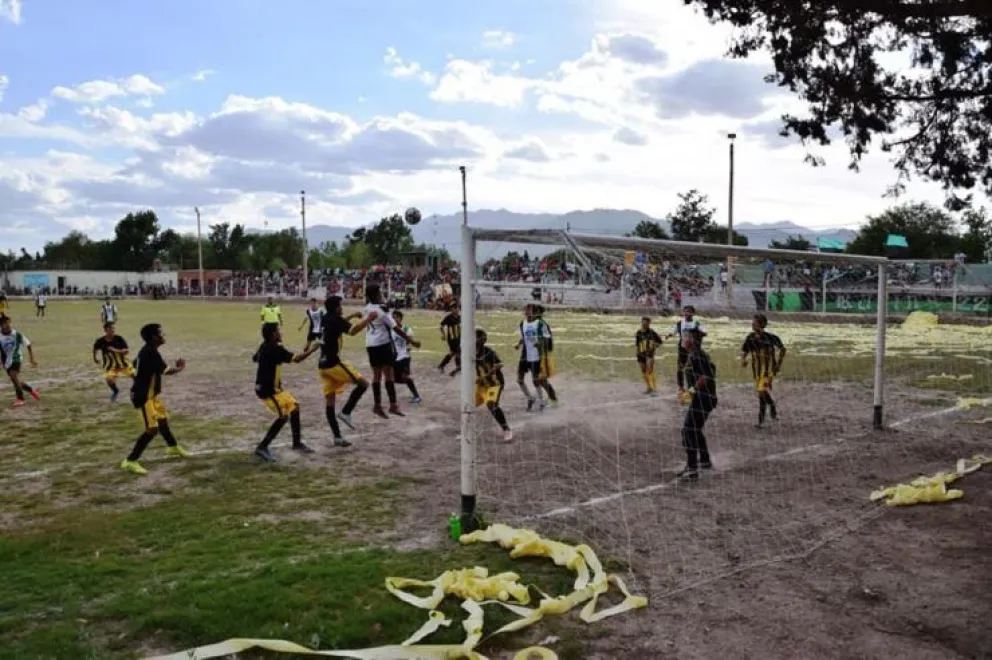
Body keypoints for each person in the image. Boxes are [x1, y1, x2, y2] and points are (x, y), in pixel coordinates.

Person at [121, 323, 190, 475]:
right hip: (144, 397)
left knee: (163, 421)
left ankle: (172, 447)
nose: (163, 335)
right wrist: (180, 368)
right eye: (161, 333)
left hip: (152, 395)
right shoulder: (150, 352)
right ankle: (130, 461)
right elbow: (167, 371)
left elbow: (134, 366)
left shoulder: (147, 351)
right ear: (154, 337)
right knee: (152, 429)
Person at [251, 322, 321, 462]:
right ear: (273, 335)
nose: (280, 333)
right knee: (283, 416)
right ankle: (262, 447)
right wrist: (313, 349)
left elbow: (255, 358)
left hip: (274, 389)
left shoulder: (265, 346)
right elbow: (297, 359)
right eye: (278, 331)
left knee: (294, 407)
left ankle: (297, 443)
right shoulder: (275, 348)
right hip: (268, 390)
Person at [319, 295, 377, 445]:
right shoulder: (335, 319)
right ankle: (346, 412)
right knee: (363, 384)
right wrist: (368, 319)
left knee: (330, 403)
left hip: (322, 366)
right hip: (333, 364)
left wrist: (351, 316)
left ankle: (337, 437)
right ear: (336, 308)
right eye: (340, 305)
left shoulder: (326, 318)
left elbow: (340, 323)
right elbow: (352, 331)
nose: (342, 307)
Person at [362, 284, 420, 418]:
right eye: (380, 292)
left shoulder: (367, 308)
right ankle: (393, 405)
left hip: (370, 344)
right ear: (375, 295)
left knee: (376, 375)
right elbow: (396, 328)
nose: (381, 294)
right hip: (383, 344)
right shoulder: (382, 311)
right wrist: (412, 341)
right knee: (389, 375)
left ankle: (377, 405)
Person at [678, 328, 717, 481]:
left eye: (685, 337)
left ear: (692, 341)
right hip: (702, 399)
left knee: (688, 430)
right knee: (695, 429)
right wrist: (684, 390)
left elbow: (705, 377)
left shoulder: (698, 355)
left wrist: (691, 391)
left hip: (704, 399)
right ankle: (705, 460)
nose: (683, 339)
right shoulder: (693, 355)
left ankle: (692, 469)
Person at [740, 313, 787, 428]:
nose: (752, 324)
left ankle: (760, 420)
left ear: (761, 324)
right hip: (756, 370)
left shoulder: (770, 338)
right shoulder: (750, 337)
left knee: (761, 392)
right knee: (761, 393)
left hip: (768, 370)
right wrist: (743, 360)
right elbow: (745, 351)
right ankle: (771, 404)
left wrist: (778, 364)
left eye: (754, 323)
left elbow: (783, 349)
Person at [475, 328, 513, 442]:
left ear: (482, 340)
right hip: (482, 384)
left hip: (495, 384)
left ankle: (506, 429)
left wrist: (487, 374)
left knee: (491, 404)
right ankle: (467, 430)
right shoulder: (470, 352)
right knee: (468, 404)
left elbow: (500, 364)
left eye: (475, 338)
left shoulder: (489, 352)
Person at [665, 305, 706, 397]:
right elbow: (673, 332)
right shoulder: (680, 323)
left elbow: (704, 333)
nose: (687, 313)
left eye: (689, 311)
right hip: (682, 348)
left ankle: (692, 388)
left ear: (693, 313)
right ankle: (680, 387)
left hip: (694, 350)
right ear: (683, 312)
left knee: (692, 369)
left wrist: (696, 332)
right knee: (680, 367)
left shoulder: (697, 324)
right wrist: (668, 335)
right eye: (685, 311)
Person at [0, 315, 40, 407]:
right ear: (1, 325)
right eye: (5, 324)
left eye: (9, 323)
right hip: (6, 361)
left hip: (17, 359)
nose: (8, 325)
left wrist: (32, 358)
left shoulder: (17, 334)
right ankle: (31, 390)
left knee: (14, 376)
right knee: (15, 380)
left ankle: (20, 398)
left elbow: (28, 344)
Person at [93, 321, 135, 402]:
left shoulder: (119, 338)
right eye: (110, 328)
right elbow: (95, 349)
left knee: (136, 376)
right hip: (110, 365)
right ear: (105, 330)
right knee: (109, 379)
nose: (113, 330)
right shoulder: (100, 341)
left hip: (123, 364)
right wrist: (95, 358)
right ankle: (115, 391)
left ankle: (134, 390)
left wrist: (115, 350)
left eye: (113, 328)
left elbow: (126, 351)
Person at [391, 309, 422, 404]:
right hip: (394, 357)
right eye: (393, 317)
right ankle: (410, 382)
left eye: (396, 317)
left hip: (404, 356)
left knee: (405, 377)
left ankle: (417, 396)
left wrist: (408, 348)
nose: (394, 319)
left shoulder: (406, 329)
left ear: (401, 319)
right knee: (395, 379)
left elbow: (410, 342)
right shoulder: (390, 330)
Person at [635, 317, 663, 396]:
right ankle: (649, 388)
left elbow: (660, 342)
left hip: (649, 354)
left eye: (646, 322)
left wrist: (655, 345)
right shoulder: (638, 333)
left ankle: (654, 388)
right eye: (643, 322)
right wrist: (637, 352)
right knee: (643, 371)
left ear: (649, 323)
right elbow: (637, 344)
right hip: (640, 354)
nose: (644, 324)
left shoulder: (652, 332)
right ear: (641, 322)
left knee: (650, 370)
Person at [437, 302, 461, 377]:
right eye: (455, 308)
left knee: (452, 353)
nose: (457, 310)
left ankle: (441, 365)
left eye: (457, 308)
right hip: (451, 339)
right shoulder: (448, 317)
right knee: (457, 352)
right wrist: (443, 334)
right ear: (452, 309)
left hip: (458, 338)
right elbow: (441, 326)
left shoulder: (459, 317)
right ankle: (458, 367)